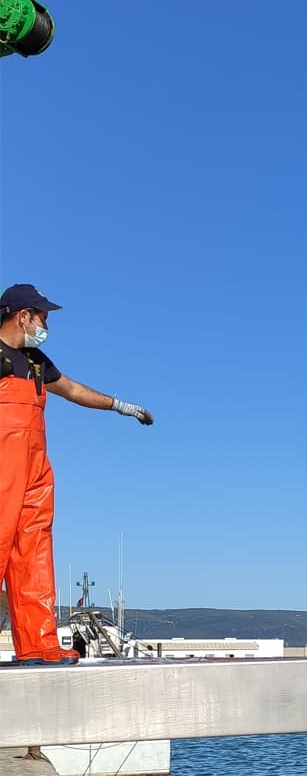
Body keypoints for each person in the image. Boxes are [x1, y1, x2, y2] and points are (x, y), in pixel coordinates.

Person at [0, 283, 153, 666]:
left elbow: (70, 389)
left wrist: (119, 405)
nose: (46, 324)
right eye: (43, 317)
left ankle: (38, 644)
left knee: (34, 553)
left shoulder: (36, 361)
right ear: (23, 316)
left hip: (35, 468)